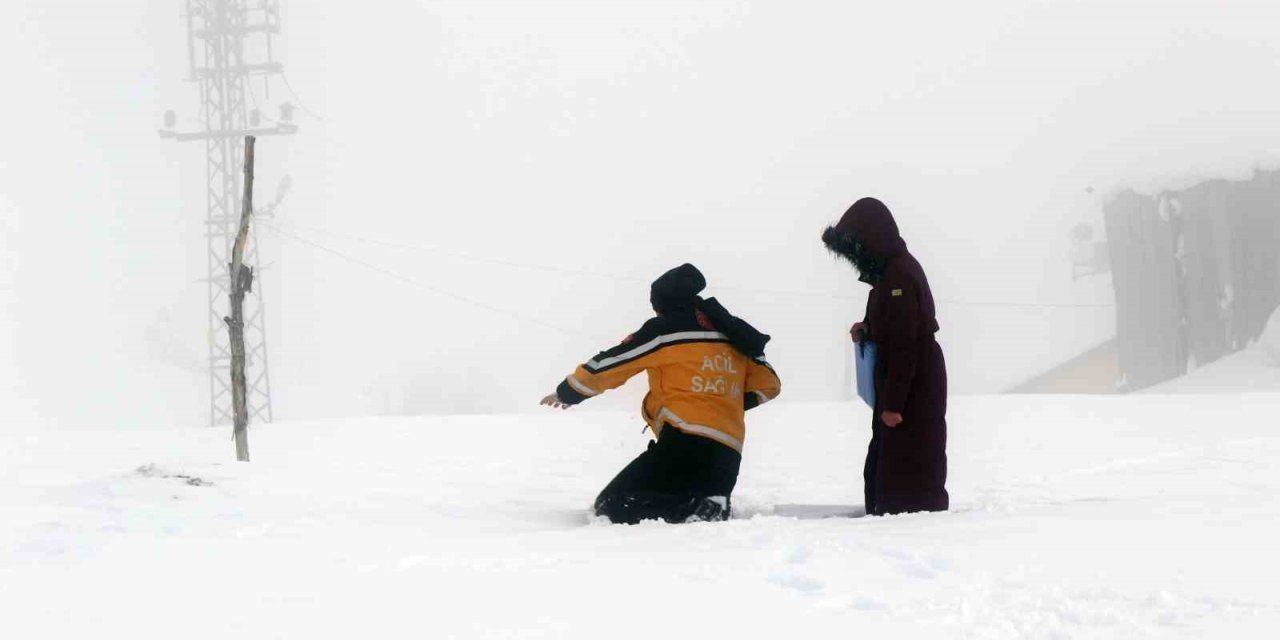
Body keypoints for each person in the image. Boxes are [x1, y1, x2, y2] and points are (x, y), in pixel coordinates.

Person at [540, 263, 781, 524]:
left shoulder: (666, 331)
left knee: (611, 506)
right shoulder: (735, 336)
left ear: (663, 303)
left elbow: (614, 363)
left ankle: (696, 508)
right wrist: (724, 400)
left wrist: (569, 391)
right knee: (689, 496)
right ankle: (709, 505)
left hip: (684, 444)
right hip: (728, 456)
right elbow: (769, 385)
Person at [821, 197, 949, 515]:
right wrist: (866, 329)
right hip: (902, 385)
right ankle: (888, 515)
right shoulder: (888, 275)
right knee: (889, 463)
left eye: (856, 248)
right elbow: (893, 328)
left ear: (871, 240)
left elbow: (906, 345)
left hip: (912, 388)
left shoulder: (899, 278)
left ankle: (910, 527)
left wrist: (893, 405)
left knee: (908, 464)